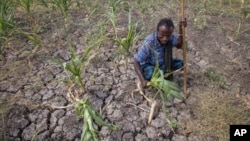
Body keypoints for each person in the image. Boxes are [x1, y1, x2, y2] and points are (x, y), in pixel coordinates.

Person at [133, 18, 187, 89]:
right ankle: (160, 75)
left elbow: (179, 45)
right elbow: (136, 61)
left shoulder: (170, 38)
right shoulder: (149, 42)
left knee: (182, 64)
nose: (165, 38)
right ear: (157, 31)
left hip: (164, 63)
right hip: (151, 65)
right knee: (150, 73)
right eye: (162, 35)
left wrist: (181, 30)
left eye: (168, 36)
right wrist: (142, 80)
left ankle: (164, 72)